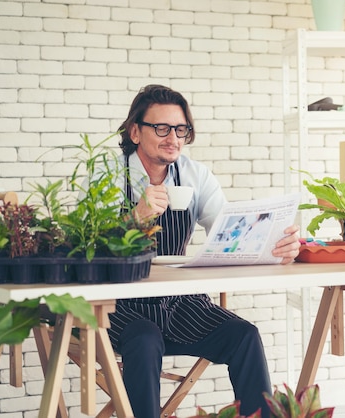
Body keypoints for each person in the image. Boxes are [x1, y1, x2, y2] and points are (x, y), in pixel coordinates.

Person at [107, 84, 301, 418]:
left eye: (181, 129)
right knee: (144, 339)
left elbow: (230, 235)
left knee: (245, 337)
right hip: (120, 305)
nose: (174, 139)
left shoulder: (196, 176)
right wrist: (133, 218)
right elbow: (83, 246)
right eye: (162, 128)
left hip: (181, 303)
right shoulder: (106, 176)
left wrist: (276, 245)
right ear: (135, 131)